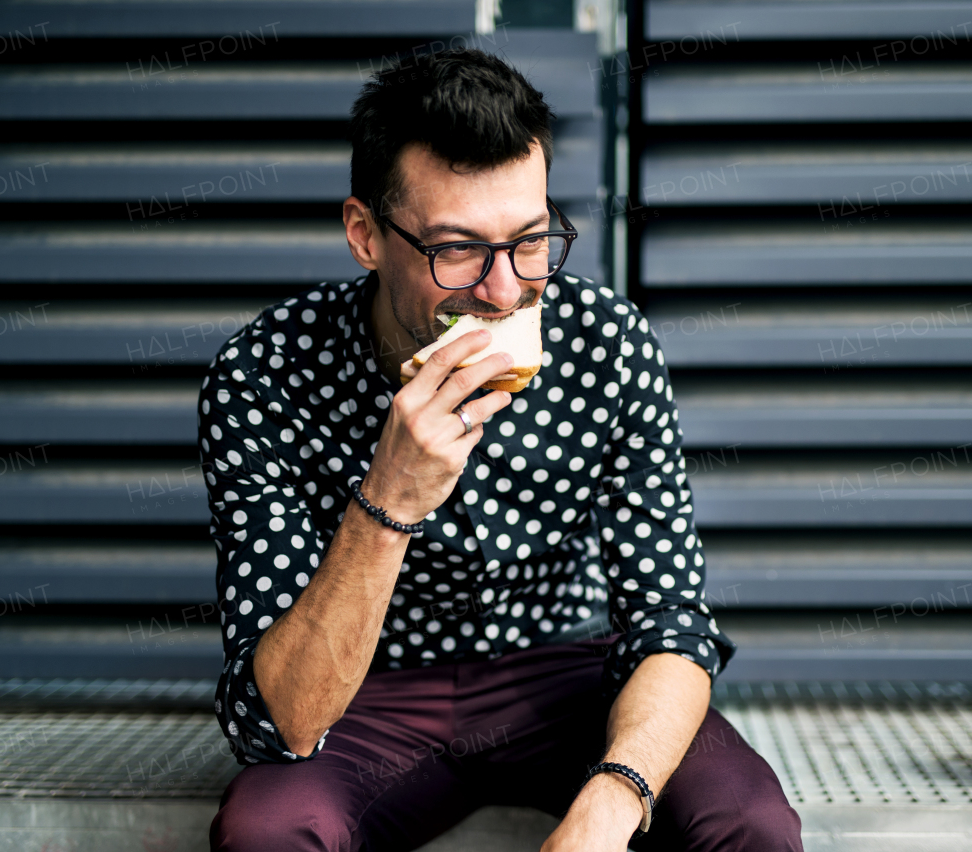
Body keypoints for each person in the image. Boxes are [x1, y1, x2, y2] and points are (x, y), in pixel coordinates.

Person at [203, 47, 803, 852]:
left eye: (528, 241)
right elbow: (279, 719)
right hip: (369, 695)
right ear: (365, 235)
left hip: (568, 677)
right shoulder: (263, 375)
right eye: (456, 250)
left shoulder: (607, 343)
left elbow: (669, 620)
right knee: (268, 832)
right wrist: (389, 499)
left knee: (749, 825)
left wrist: (610, 802)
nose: (504, 290)